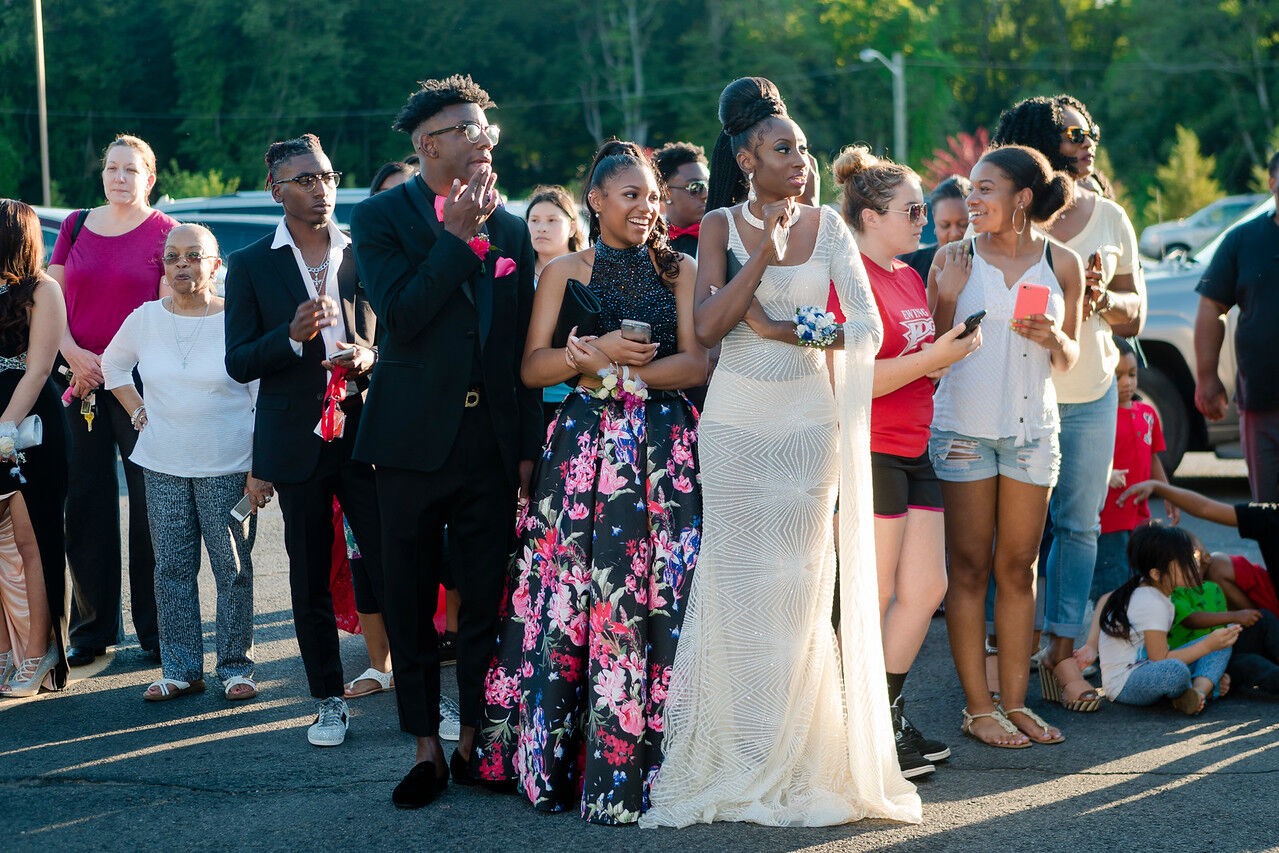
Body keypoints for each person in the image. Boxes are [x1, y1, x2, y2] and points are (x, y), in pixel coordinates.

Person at [642, 77, 921, 828]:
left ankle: (798, 755)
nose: (799, 160)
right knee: (737, 587)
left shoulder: (830, 227)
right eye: (782, 150)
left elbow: (866, 329)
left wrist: (786, 329)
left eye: (801, 148)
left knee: (798, 592)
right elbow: (706, 327)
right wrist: (761, 257)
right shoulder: (718, 226)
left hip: (805, 426)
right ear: (746, 160)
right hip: (734, 425)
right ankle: (739, 749)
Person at [473, 140, 704, 825]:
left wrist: (620, 372)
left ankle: (661, 762)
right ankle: (565, 762)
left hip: (664, 450)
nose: (646, 207)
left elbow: (696, 363)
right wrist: (592, 356)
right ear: (596, 200)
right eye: (631, 195)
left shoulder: (680, 268)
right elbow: (532, 367)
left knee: (663, 590)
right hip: (582, 452)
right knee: (578, 592)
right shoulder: (563, 271)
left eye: (653, 196)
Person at [348, 75, 541, 809]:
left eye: (487, 127)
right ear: (429, 145)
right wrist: (456, 239)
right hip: (408, 442)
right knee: (408, 595)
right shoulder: (379, 217)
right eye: (468, 128)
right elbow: (400, 316)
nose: (485, 139)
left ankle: (473, 741)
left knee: (485, 596)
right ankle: (425, 745)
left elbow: (519, 349)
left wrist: (526, 445)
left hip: (488, 442)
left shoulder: (512, 229)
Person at [224, 134, 382, 747]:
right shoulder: (251, 263)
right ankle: (327, 700)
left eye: (327, 177)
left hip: (367, 431)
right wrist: (290, 337)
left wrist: (369, 356)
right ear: (276, 190)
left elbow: (400, 333)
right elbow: (239, 361)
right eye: (305, 179)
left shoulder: (363, 250)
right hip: (296, 441)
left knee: (394, 563)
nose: (321, 189)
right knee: (309, 573)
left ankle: (422, 693)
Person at [990, 96, 1146, 715]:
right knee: (1018, 533)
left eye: (1092, 132)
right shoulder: (1010, 213)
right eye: (1075, 134)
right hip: (1020, 395)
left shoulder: (1109, 216)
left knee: (1080, 527)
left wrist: (1102, 299)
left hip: (1090, 394)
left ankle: (1060, 653)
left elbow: (1135, 312)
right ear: (1038, 142)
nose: (1088, 143)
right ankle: (1008, 648)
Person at [832, 145, 982, 778]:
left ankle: (885, 712)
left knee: (925, 590)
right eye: (912, 210)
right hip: (870, 448)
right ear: (869, 216)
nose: (923, 220)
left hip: (914, 445)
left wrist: (947, 313)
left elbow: (923, 362)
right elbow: (852, 379)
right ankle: (858, 727)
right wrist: (934, 356)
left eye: (923, 209)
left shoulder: (905, 275)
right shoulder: (849, 280)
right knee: (874, 594)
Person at [929, 144, 1083, 747]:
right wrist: (947, 293)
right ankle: (978, 709)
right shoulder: (953, 256)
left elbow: (1069, 359)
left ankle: (1016, 704)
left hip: (1031, 435)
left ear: (1022, 197)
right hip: (963, 432)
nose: (971, 199)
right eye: (970, 188)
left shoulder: (1063, 262)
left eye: (984, 189)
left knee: (1018, 569)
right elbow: (929, 355)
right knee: (969, 569)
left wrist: (1054, 337)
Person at [102, 224, 266, 702]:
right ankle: (180, 668)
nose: (181, 264)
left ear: (215, 265)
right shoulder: (146, 318)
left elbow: (263, 395)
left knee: (232, 569)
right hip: (163, 466)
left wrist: (260, 467)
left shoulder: (238, 318)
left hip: (229, 467)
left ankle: (235, 667)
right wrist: (137, 410)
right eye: (172, 256)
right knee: (172, 568)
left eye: (194, 256)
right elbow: (112, 365)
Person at [47, 134, 178, 668]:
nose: (119, 177)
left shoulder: (166, 232)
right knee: (85, 502)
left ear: (150, 178)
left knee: (150, 504)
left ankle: (156, 628)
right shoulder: (75, 225)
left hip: (139, 383)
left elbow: (167, 314)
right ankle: (92, 628)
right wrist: (73, 354)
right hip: (77, 379)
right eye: (111, 168)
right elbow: (51, 302)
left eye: (131, 169)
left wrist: (116, 362)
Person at [0, 200, 69, 698]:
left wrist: (4, 428)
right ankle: (6, 650)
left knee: (33, 543)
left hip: (29, 427)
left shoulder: (44, 290)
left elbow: (40, 368)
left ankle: (40, 652)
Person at [1195, 151, 1279, 502]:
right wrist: (1207, 377)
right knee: (1268, 511)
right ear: (1272, 182)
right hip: (1263, 403)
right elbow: (1212, 306)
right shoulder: (1243, 240)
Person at [1085, 523, 1236, 713]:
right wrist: (1207, 646)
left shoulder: (1149, 587)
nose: (1194, 563)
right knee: (1177, 670)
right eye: (1184, 562)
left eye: (1192, 556)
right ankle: (1197, 688)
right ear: (1156, 573)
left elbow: (1105, 599)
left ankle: (1196, 694)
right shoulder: (1152, 602)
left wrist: (1212, 645)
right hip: (1126, 683)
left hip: (1150, 670)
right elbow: (1160, 659)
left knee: (1222, 642)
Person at [1116, 478, 1279, 620]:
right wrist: (1158, 486)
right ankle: (1261, 624)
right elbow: (1205, 507)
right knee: (1217, 564)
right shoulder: (1269, 515)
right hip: (1272, 600)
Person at [1090, 339, 1175, 602]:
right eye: (1118, 376)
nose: (1127, 382)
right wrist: (1106, 473)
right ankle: (1106, 624)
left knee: (1139, 581)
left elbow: (1153, 457)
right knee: (1111, 584)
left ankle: (1131, 622)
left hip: (1139, 516)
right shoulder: (1098, 417)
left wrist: (1170, 494)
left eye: (1132, 374)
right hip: (1109, 518)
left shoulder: (1148, 414)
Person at [525, 185, 585, 427]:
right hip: (528, 396)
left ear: (572, 227)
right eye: (534, 220)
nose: (541, 228)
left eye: (552, 220)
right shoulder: (515, 273)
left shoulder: (588, 272)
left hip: (577, 395)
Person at [900, 176, 971, 283]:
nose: (954, 234)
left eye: (963, 225)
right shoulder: (910, 263)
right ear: (934, 219)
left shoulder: (986, 263)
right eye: (945, 225)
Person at [654, 141, 709, 258]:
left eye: (710, 185)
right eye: (695, 187)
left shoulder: (725, 236)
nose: (706, 194)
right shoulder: (649, 239)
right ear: (666, 193)